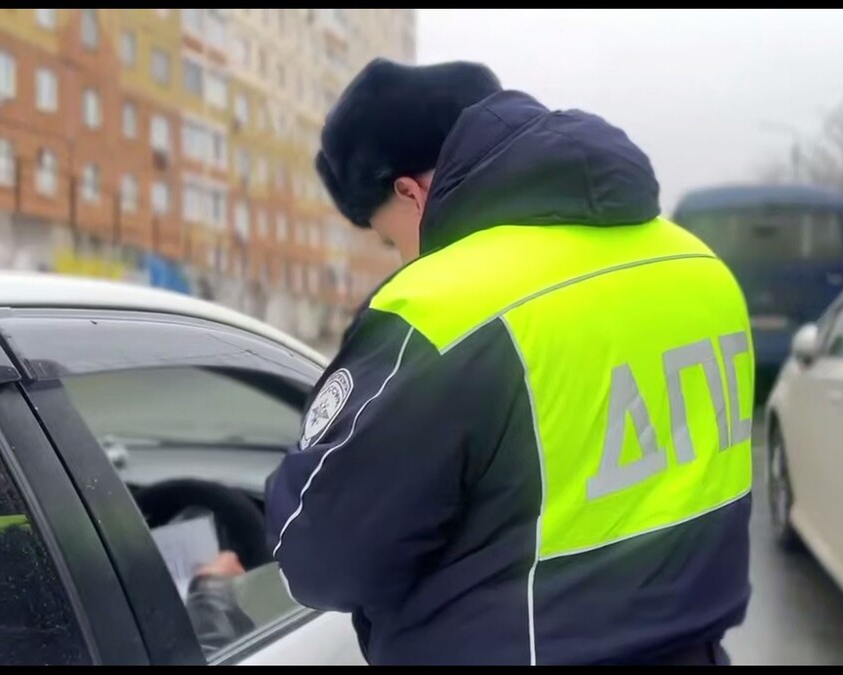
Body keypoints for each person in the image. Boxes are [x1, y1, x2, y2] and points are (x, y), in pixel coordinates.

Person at [264, 58, 756, 666]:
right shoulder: (697, 266)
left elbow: (324, 557)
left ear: (412, 193)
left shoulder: (448, 311)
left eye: (391, 240)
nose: (402, 262)